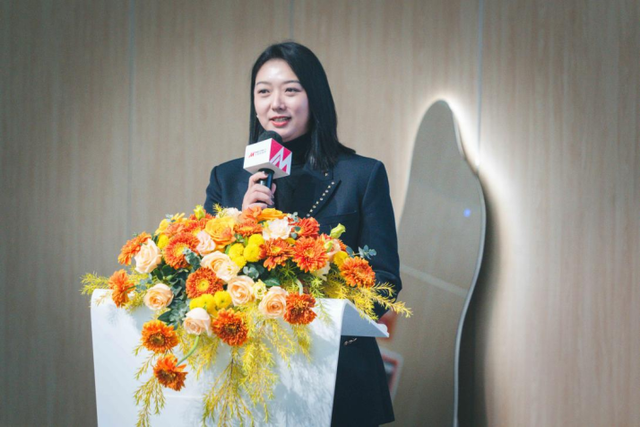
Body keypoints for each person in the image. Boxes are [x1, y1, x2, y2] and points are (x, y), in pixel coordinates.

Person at [204, 41, 401, 427]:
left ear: (315, 98)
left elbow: (385, 283)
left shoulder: (361, 175)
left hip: (340, 377)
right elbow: (207, 280)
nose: (276, 103)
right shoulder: (227, 179)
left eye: (290, 90)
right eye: (264, 92)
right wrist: (241, 224)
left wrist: (312, 314)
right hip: (251, 378)